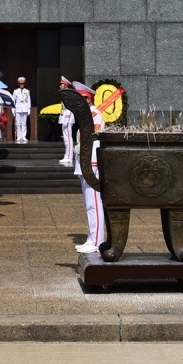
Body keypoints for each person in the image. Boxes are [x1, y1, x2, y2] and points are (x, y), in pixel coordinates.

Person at [72, 84, 107, 256]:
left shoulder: (95, 116)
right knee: (89, 204)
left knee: (94, 204)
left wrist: (89, 162)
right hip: (85, 162)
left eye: (81, 99)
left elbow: (94, 141)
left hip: (91, 162)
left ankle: (97, 240)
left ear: (88, 99)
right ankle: (92, 237)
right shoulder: (86, 116)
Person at [59, 77, 75, 166]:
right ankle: (67, 155)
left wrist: (67, 117)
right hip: (64, 117)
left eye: (61, 84)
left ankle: (69, 156)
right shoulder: (64, 93)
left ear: (65, 85)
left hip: (68, 117)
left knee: (68, 138)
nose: (60, 86)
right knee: (66, 138)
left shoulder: (68, 94)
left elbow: (70, 107)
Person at [12, 77, 32, 144]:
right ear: (18, 84)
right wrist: (13, 110)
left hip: (25, 108)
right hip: (18, 108)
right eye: (20, 83)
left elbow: (29, 100)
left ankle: (23, 136)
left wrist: (29, 109)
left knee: (24, 123)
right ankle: (19, 136)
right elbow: (13, 101)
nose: (21, 85)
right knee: (18, 123)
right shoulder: (15, 91)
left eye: (23, 83)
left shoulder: (27, 91)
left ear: (24, 84)